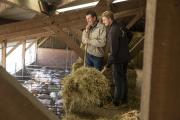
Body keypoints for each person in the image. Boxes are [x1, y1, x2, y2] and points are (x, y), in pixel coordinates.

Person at [101, 11, 129, 106]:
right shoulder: (121, 26)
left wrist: (107, 65)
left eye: (104, 20)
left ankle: (116, 102)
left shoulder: (113, 31)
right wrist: (124, 46)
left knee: (117, 81)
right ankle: (124, 100)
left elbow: (113, 51)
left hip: (118, 59)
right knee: (123, 78)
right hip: (125, 57)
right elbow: (130, 35)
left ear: (109, 18)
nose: (103, 22)